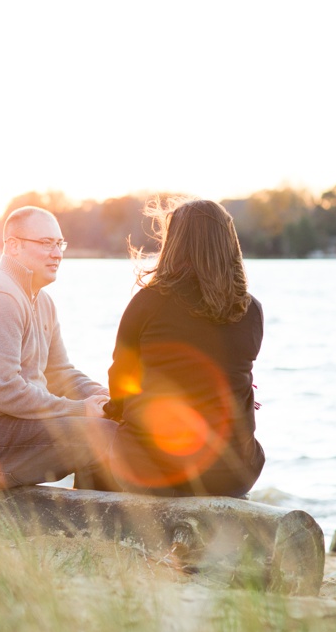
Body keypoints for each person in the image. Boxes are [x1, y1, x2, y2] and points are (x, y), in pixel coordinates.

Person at [0, 206, 118, 489]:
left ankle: (91, 518)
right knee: (103, 435)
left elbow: (59, 372)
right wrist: (80, 410)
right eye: (46, 243)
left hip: (5, 430)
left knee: (115, 426)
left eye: (59, 243)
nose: (57, 253)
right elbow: (1, 390)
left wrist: (104, 397)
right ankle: (97, 525)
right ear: (13, 246)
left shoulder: (42, 302)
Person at [103, 197, 265, 497]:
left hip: (155, 470)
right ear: (229, 243)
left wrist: (116, 411)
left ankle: (96, 536)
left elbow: (120, 382)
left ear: (174, 243)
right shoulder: (250, 309)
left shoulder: (148, 302)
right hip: (233, 474)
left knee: (97, 442)